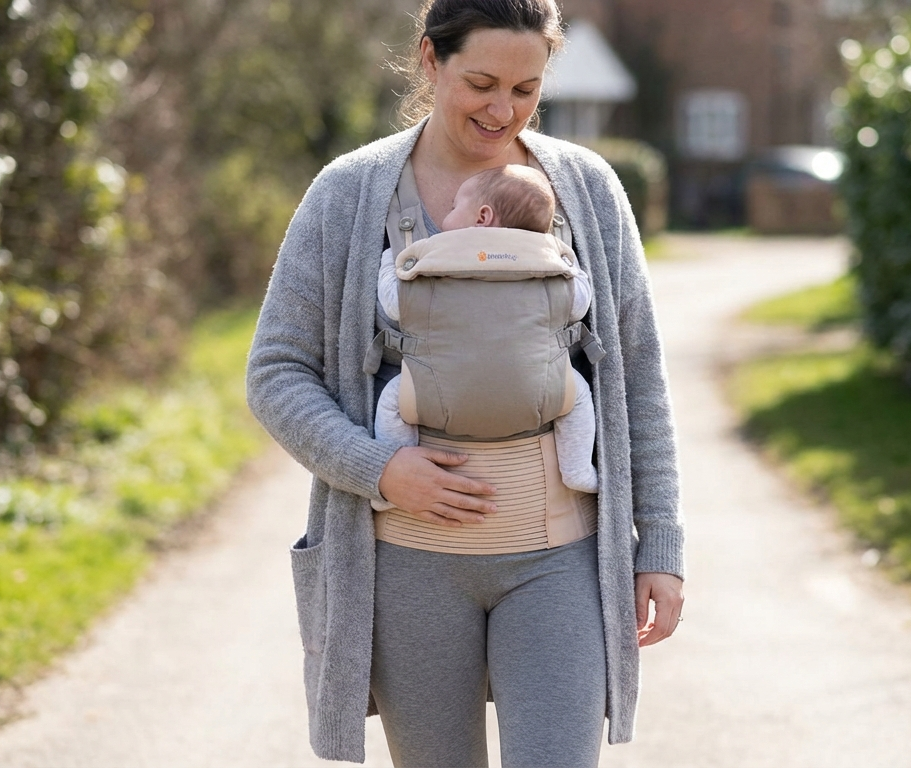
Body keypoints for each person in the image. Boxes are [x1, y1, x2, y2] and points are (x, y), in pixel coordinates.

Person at [245, 0, 685, 764]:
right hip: (409, 566)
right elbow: (276, 373)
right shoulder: (349, 194)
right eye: (481, 82)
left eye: (526, 88)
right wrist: (379, 468)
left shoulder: (585, 189)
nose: (503, 110)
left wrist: (662, 545)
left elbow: (638, 375)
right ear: (429, 59)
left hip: (561, 561)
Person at [373, 163, 599, 497]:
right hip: (539, 392)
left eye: (453, 208)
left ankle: (403, 464)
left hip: (434, 392)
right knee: (577, 396)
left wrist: (391, 262)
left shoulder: (434, 262)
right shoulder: (547, 269)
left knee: (393, 400)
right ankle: (577, 467)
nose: (447, 217)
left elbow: (395, 306)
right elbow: (578, 305)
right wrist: (570, 265)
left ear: (482, 217)